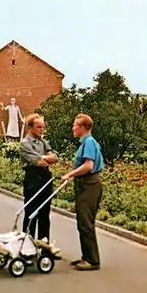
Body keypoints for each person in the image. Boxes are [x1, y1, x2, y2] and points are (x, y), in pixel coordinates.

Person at [61, 114, 104, 271]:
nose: (73, 128)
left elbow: (88, 166)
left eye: (75, 125)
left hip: (90, 184)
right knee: (82, 221)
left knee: (86, 222)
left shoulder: (89, 142)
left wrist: (70, 174)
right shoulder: (85, 143)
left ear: (83, 127)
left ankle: (92, 261)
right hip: (85, 184)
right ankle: (86, 256)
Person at [19, 113, 58, 243]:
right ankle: (27, 244)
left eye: (43, 127)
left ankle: (44, 244)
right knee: (31, 212)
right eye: (39, 127)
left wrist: (45, 158)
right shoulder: (25, 143)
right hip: (33, 178)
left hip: (46, 177)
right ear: (30, 127)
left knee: (44, 213)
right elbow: (38, 162)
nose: (42, 130)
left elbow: (54, 157)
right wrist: (45, 158)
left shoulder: (43, 142)